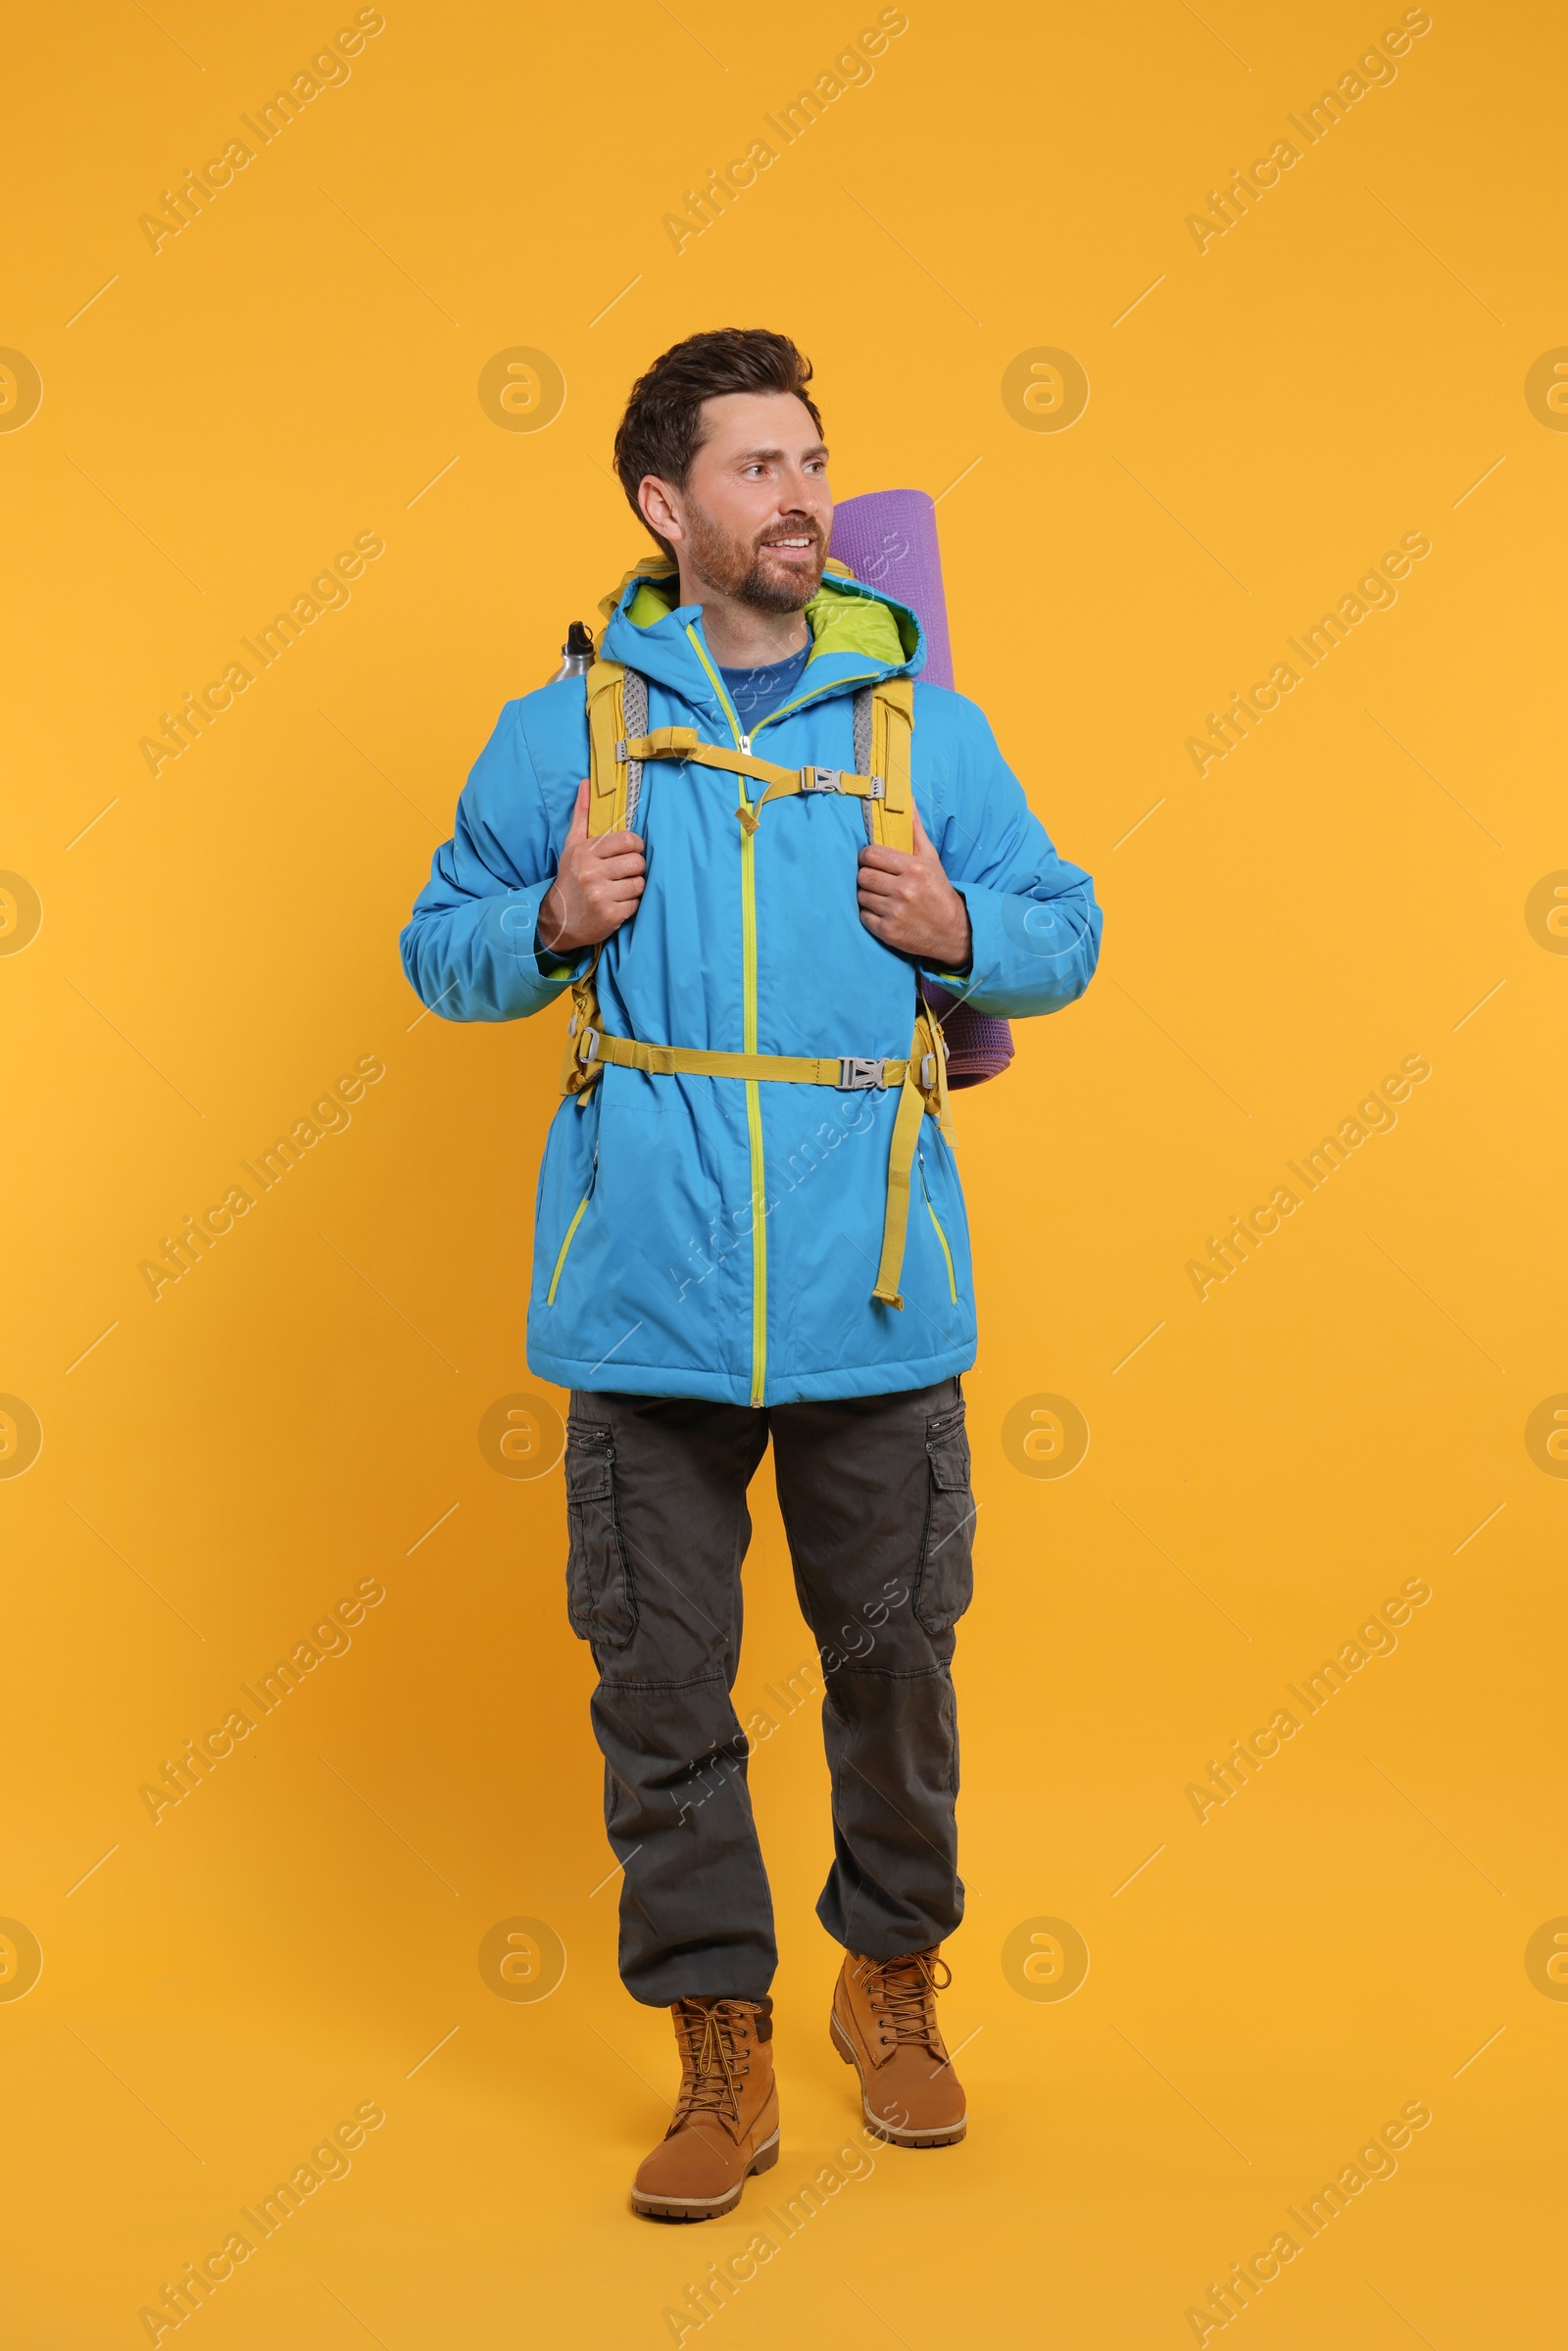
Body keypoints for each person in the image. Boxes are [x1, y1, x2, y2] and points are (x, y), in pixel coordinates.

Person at [401, 327, 1102, 2221]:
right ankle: (718, 2038)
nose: (798, 494)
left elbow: (1067, 929)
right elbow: (433, 948)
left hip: (879, 1305)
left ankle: (894, 1987)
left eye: (812, 461)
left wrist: (964, 930)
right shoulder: (567, 732)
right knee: (663, 1691)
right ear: (665, 504)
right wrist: (551, 918)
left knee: (893, 1677)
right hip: (645, 1304)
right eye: (755, 466)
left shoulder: (918, 729)